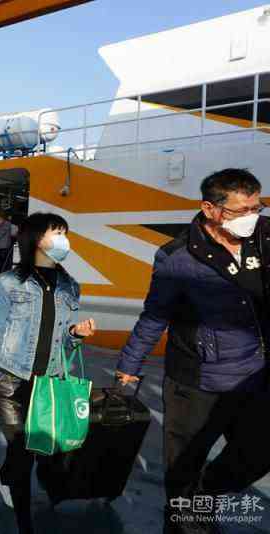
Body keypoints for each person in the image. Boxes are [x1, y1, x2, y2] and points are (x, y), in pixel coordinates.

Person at [115, 169, 270, 534]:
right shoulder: (177, 258)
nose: (252, 216)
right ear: (210, 209)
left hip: (253, 374)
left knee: (259, 452)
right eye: (241, 210)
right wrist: (129, 367)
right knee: (183, 469)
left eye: (257, 207)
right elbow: (155, 315)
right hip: (194, 383)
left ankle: (208, 490)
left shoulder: (264, 237)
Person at [0, 212, 96, 534]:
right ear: (35, 238)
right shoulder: (7, 283)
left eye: (64, 233)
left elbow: (62, 340)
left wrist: (75, 334)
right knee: (23, 452)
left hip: (48, 381)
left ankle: (8, 474)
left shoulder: (70, 287)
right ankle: (25, 524)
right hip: (9, 380)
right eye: (56, 233)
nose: (63, 240)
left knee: (39, 449)